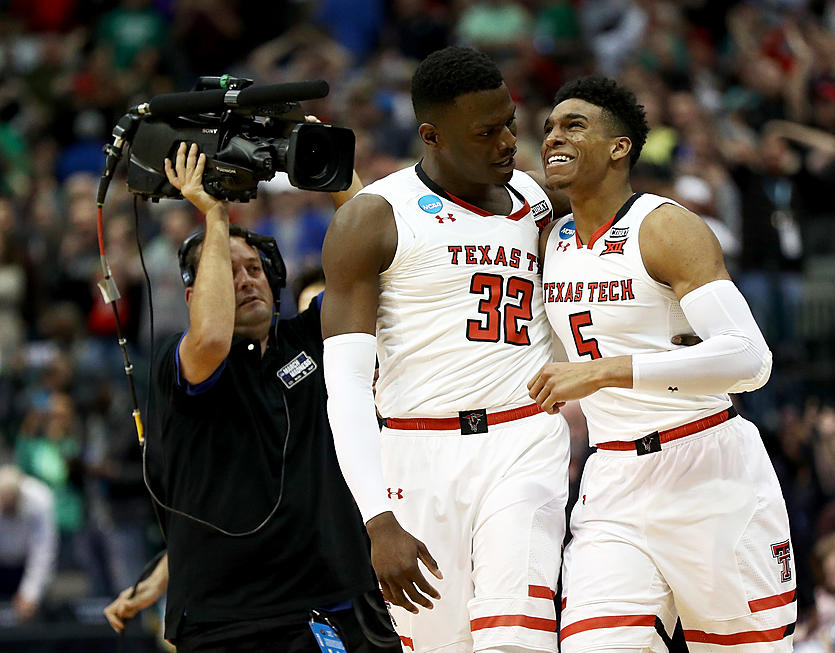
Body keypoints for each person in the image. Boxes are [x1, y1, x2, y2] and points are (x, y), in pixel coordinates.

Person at [528, 76, 796, 652]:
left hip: (707, 468)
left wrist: (607, 371)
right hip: (613, 481)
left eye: (574, 125)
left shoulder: (663, 226)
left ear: (620, 146)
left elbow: (750, 358)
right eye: (549, 127)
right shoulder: (552, 241)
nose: (553, 136)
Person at [320, 46, 572, 653]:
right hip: (416, 454)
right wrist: (377, 519)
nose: (509, 142)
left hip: (525, 443)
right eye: (487, 132)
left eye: (510, 122)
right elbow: (348, 384)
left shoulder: (538, 203)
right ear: (431, 136)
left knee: (517, 638)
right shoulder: (374, 218)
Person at [129, 142, 398, 652]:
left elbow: (378, 261)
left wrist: (328, 166)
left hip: (336, 600)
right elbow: (210, 336)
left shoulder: (308, 336)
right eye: (228, 271)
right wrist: (213, 214)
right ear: (194, 294)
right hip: (230, 617)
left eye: (253, 268)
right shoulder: (180, 358)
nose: (246, 279)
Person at [0, 464, 57, 623]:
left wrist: (30, 594)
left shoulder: (40, 499)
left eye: (11, 503)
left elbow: (43, 550)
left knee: (32, 616)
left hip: (26, 564)